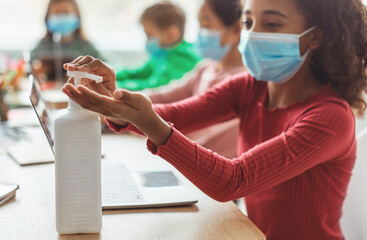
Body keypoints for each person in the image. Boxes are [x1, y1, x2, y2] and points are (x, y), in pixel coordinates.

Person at [63, 0, 367, 238]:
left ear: (315, 37)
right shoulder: (251, 87)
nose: (253, 35)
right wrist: (114, 98)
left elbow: (234, 180)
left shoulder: (330, 117)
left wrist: (147, 121)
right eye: (248, 22)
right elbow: (174, 115)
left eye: (272, 23)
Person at [147, 0, 245, 157]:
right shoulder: (206, 68)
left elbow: (205, 136)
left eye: (206, 26)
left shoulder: (243, 82)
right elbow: (166, 96)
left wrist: (139, 121)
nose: (200, 34)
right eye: (199, 25)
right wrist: (118, 99)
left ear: (235, 29)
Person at [116, 1, 201, 91]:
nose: (147, 40)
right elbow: (139, 73)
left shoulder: (183, 58)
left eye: (150, 35)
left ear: (171, 33)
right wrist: (112, 75)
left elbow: (158, 87)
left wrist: (118, 86)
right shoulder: (161, 54)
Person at [31, 0, 102, 82]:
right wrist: (35, 69)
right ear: (47, 17)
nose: (61, 17)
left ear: (77, 15)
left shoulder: (86, 47)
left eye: (66, 12)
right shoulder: (41, 46)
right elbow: (25, 66)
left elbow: (105, 67)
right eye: (57, 13)